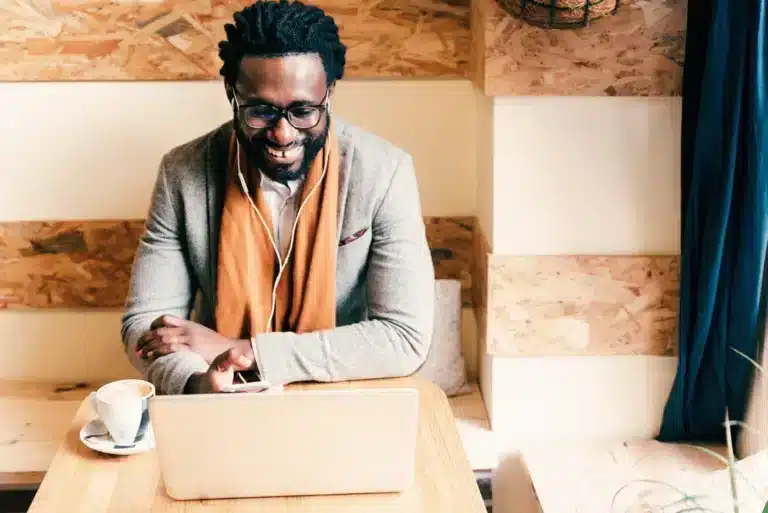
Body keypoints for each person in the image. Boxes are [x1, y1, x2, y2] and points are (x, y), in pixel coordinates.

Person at [121, 0, 435, 395]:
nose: (283, 134)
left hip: (340, 394)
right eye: (261, 111)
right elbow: (146, 324)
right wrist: (198, 382)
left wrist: (248, 353)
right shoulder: (181, 173)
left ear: (329, 93)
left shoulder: (384, 173)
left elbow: (405, 338)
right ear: (230, 93)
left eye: (304, 111)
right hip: (219, 399)